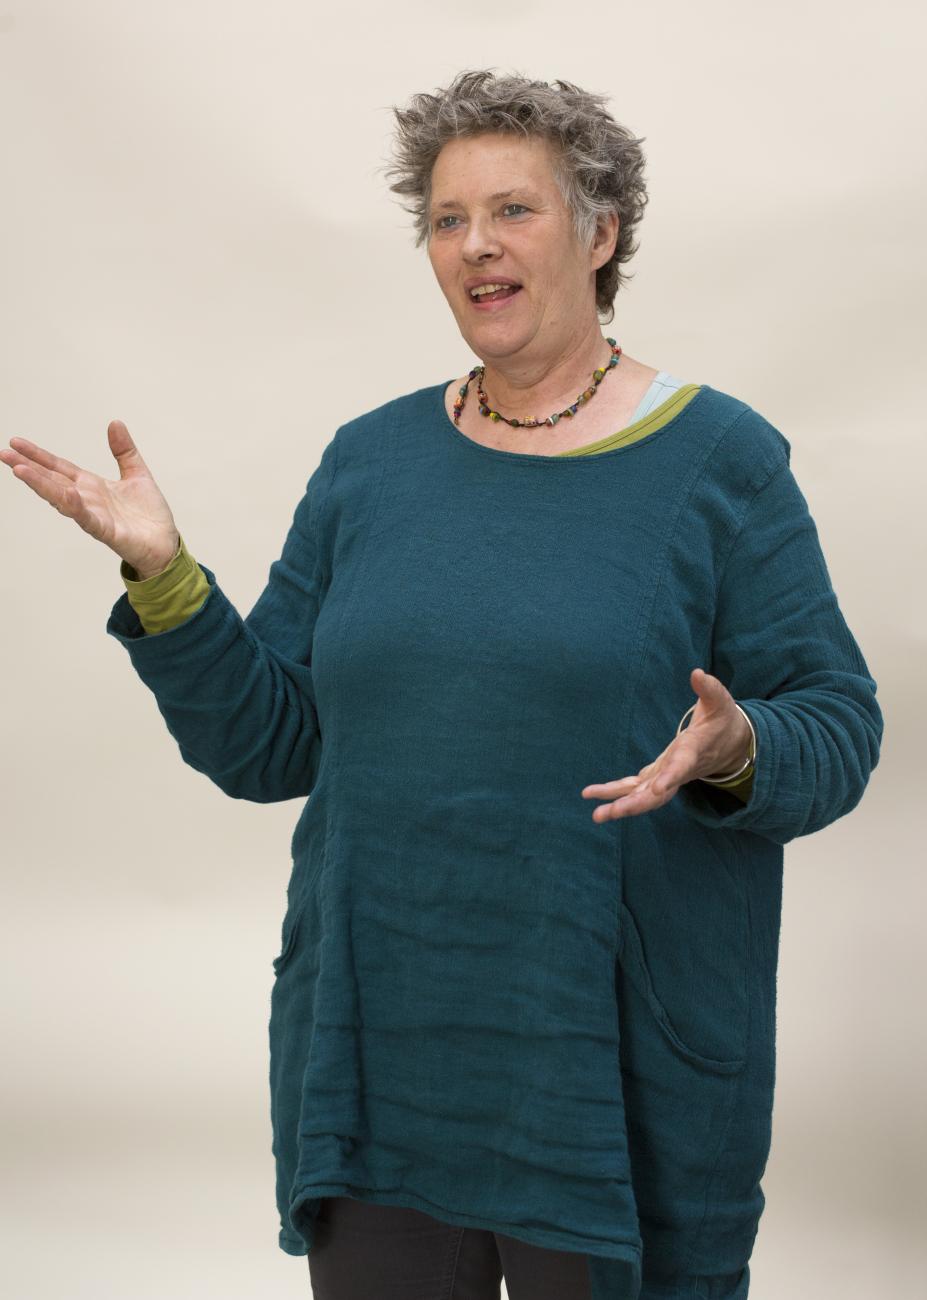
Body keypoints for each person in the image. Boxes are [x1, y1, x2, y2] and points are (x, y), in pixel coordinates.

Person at [0, 68, 883, 1300]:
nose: (475, 245)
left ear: (601, 232)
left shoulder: (719, 459)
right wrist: (166, 576)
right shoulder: (370, 463)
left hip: (604, 1078)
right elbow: (270, 743)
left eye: (514, 210)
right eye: (447, 218)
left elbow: (838, 721)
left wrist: (738, 749)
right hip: (380, 1068)